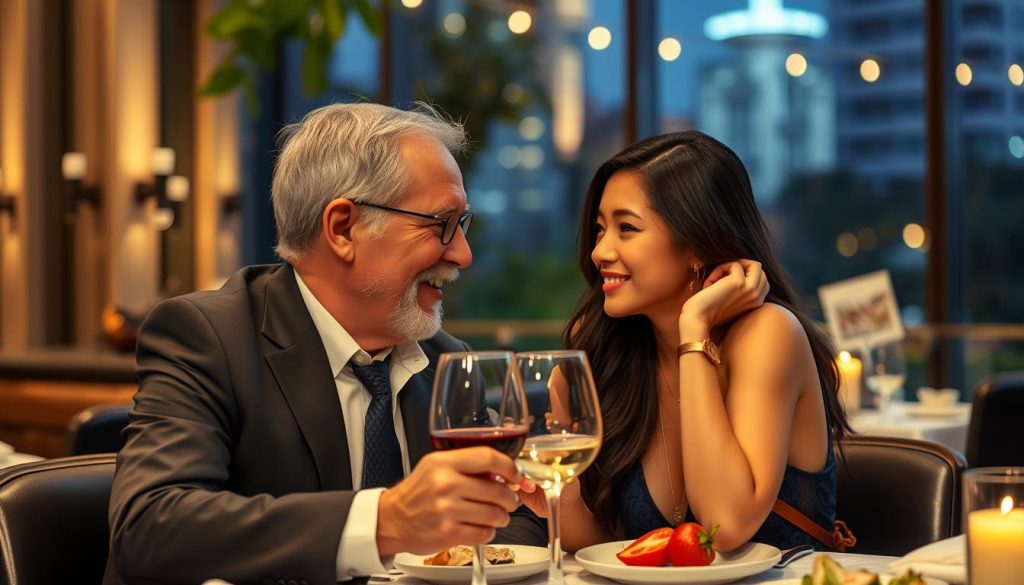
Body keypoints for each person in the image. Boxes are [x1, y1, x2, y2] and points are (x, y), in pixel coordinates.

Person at [105, 103, 545, 585]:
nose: (463, 254)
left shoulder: (445, 359)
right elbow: (149, 528)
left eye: (463, 226)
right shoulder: (208, 336)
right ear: (342, 228)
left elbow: (511, 518)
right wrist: (386, 521)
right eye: (441, 223)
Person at [519, 131, 851, 553]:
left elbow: (724, 526)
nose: (600, 250)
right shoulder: (609, 351)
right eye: (600, 229)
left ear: (697, 243)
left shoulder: (768, 333)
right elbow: (618, 552)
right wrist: (564, 507)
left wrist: (694, 329)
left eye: (627, 228)